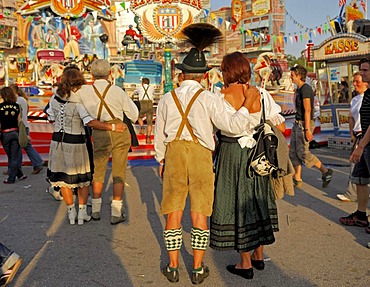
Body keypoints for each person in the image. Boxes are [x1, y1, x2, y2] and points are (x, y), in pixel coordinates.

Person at [154, 23, 253, 285]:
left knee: (173, 212)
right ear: (203, 76)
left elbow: (158, 135)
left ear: (182, 74)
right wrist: (247, 110)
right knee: (200, 213)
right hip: (201, 155)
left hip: (174, 154)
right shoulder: (210, 98)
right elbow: (231, 126)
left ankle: (173, 266)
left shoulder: (166, 98)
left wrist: (161, 159)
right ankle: (197, 268)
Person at [209, 51, 285, 280]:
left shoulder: (217, 97)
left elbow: (223, 128)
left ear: (226, 71)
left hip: (232, 153)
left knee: (236, 202)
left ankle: (245, 262)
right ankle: (258, 255)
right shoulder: (260, 93)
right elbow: (278, 120)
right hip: (257, 152)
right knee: (257, 198)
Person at [47, 67, 128, 225]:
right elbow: (89, 121)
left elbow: (50, 117)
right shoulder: (78, 101)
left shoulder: (54, 98)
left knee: (63, 178)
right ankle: (82, 213)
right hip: (76, 140)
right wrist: (112, 127)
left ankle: (71, 213)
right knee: (82, 178)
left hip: (57, 141)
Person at [78, 59, 139, 225]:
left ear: (91, 74)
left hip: (100, 131)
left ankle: (96, 209)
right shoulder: (117, 91)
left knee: (98, 170)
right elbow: (133, 114)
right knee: (119, 171)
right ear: (110, 73)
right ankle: (116, 211)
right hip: (120, 130)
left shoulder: (84, 92)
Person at [339, 57, 370, 235]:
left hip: (366, 143)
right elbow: (354, 118)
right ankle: (360, 215)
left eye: (365, 71)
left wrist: (360, 146)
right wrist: (356, 140)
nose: (360, 76)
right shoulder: (362, 97)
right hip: (362, 141)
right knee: (360, 179)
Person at [289, 65, 333, 188]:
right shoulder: (298, 89)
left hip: (304, 123)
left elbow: (307, 109)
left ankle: (325, 171)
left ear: (299, 76)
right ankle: (297, 177)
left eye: (292, 75)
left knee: (303, 152)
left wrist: (307, 129)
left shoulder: (305, 89)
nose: (290, 77)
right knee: (293, 151)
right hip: (298, 123)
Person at [337, 72, 368, 202]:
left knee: (358, 166)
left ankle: (353, 194)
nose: (354, 84)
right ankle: (352, 193)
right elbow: (351, 117)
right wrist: (352, 134)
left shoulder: (367, 98)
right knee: (356, 166)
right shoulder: (355, 100)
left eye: (357, 81)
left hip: (365, 135)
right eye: (353, 82)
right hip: (358, 136)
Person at [9, 84, 44, 175]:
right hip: (24, 124)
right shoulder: (23, 100)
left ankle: (36, 163)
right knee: (24, 146)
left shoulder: (17, 101)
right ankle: (35, 163)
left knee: (22, 146)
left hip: (20, 126)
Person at [0, 87, 27, 184]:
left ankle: (11, 178)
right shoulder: (17, 106)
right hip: (15, 132)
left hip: (5, 133)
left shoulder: (0, 106)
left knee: (11, 156)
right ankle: (19, 174)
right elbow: (19, 121)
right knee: (14, 156)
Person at [134, 77, 155, 143]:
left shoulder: (139, 88)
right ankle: (148, 138)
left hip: (142, 104)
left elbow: (135, 92)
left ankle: (142, 128)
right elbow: (153, 93)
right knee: (149, 122)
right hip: (150, 104)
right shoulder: (152, 88)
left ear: (143, 82)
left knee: (138, 116)